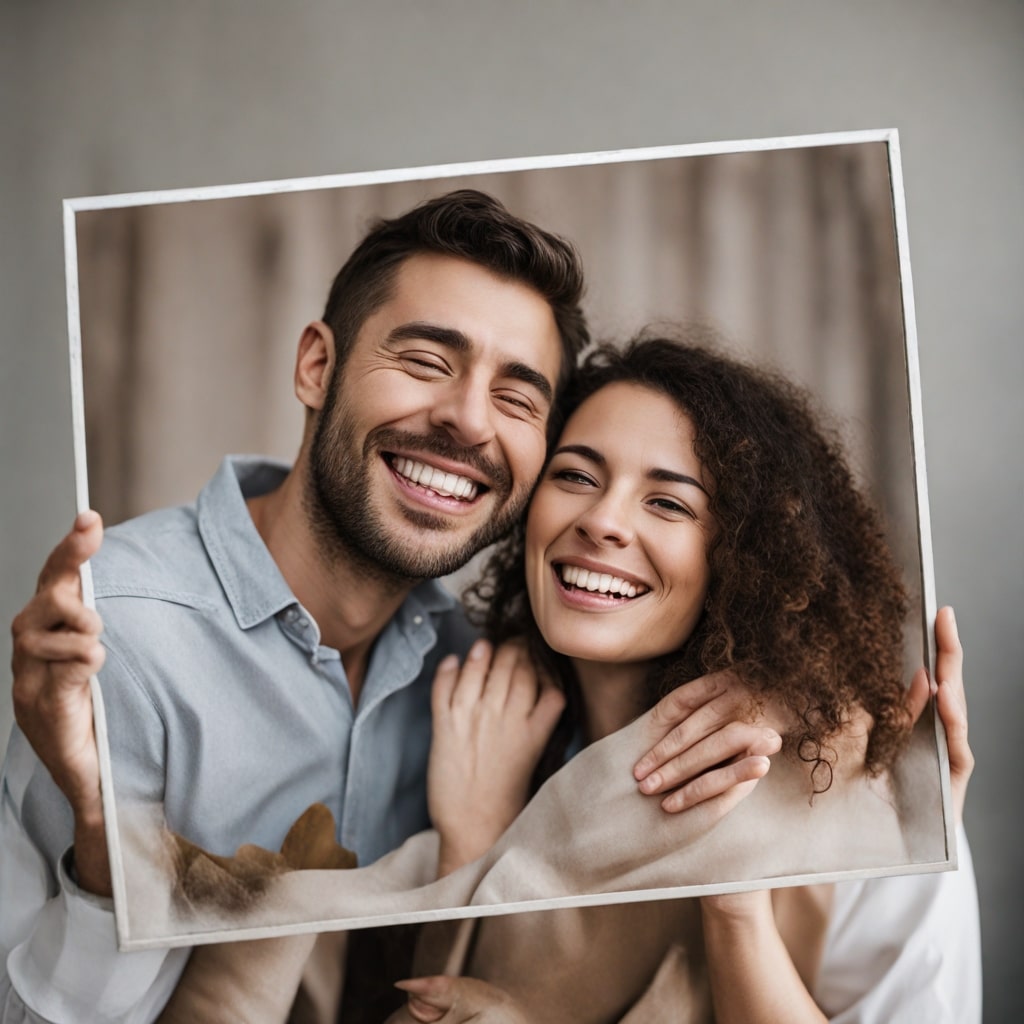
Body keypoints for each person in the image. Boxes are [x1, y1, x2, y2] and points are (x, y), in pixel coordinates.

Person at [1, 198, 772, 1023]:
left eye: (516, 399)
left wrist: (772, 696)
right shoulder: (118, 638)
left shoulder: (478, 675)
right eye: (427, 361)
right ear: (316, 367)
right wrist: (103, 830)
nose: (468, 420)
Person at [155, 334, 979, 1022]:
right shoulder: (455, 716)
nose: (602, 521)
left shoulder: (846, 781)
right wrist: (473, 845)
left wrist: (734, 896)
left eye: (669, 504)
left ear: (745, 557)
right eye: (576, 476)